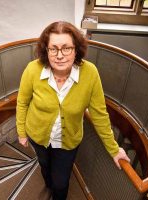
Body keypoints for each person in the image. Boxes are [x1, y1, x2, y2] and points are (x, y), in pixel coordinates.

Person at [16, 21, 130, 200]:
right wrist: (22, 132)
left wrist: (114, 149)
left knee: (61, 182)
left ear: (76, 49)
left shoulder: (90, 73)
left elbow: (99, 114)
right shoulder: (32, 70)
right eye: (53, 49)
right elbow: (22, 103)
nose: (59, 55)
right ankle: (48, 186)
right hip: (37, 136)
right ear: (46, 50)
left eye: (66, 48)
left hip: (68, 141)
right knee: (45, 166)